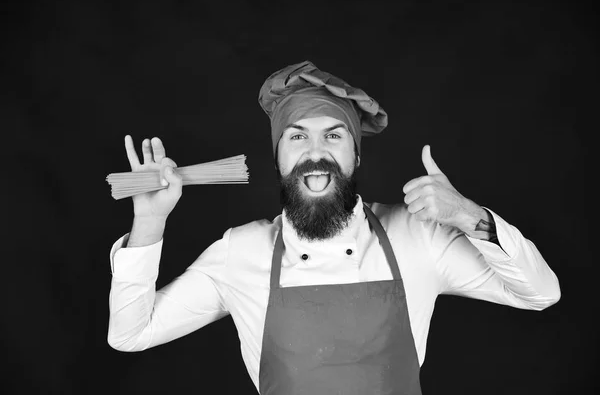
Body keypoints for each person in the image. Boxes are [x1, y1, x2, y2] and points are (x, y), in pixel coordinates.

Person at [107, 61, 560, 395]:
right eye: (298, 135)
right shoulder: (240, 252)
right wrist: (150, 221)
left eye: (334, 135)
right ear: (280, 157)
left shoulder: (416, 237)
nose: (316, 150)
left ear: (355, 156)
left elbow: (541, 293)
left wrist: (467, 216)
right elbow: (130, 334)